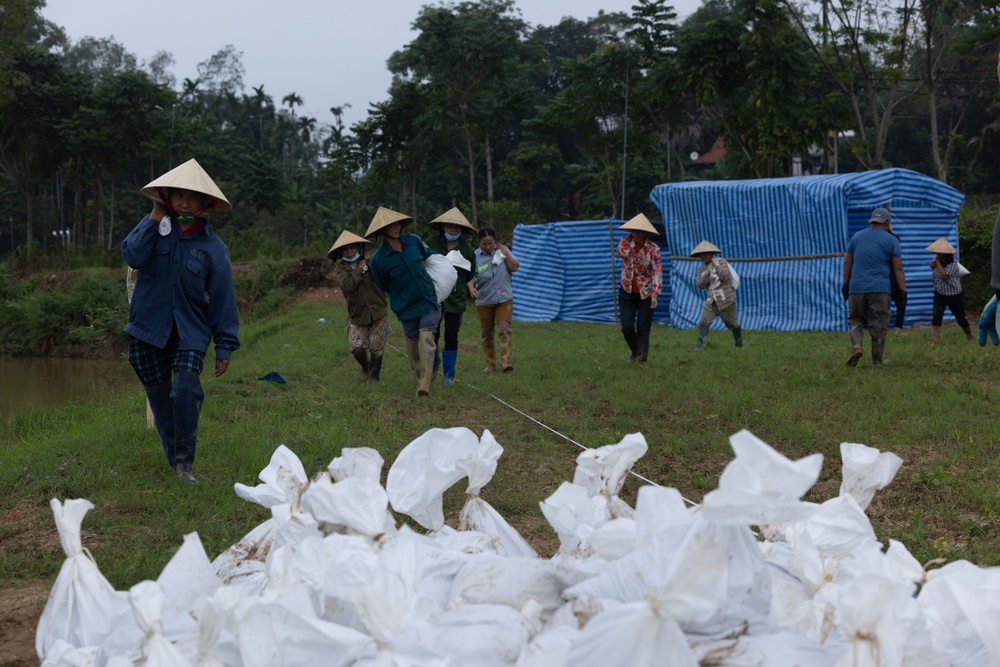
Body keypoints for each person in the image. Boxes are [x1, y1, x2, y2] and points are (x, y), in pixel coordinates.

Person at [121, 158, 240, 483]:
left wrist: (225, 345)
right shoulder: (152, 231)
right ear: (167, 198)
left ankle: (185, 464)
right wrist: (154, 216)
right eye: (177, 195)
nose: (185, 201)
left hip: (190, 331)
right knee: (160, 400)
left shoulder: (213, 248)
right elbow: (132, 255)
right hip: (147, 329)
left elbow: (223, 297)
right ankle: (176, 458)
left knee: (186, 391)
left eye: (192, 196)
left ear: (205, 203)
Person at [367, 206, 441, 397]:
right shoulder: (379, 260)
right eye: (391, 225)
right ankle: (421, 379)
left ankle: (426, 382)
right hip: (405, 306)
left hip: (428, 299)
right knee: (413, 346)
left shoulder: (414, 241)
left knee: (426, 336)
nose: (397, 227)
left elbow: (430, 258)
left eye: (398, 223)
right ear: (382, 230)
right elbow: (382, 284)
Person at [843, 207, 906, 367]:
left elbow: (848, 261)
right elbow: (898, 267)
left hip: (856, 287)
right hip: (879, 288)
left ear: (871, 221)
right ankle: (877, 362)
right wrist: (903, 290)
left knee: (855, 319)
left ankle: (857, 346)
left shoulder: (856, 237)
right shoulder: (892, 240)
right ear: (887, 222)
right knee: (878, 323)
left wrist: (846, 283)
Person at [425, 207, 477, 385]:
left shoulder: (468, 251)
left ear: (462, 230)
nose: (453, 229)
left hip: (456, 300)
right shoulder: (431, 242)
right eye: (449, 226)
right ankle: (433, 364)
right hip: (434, 298)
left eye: (457, 227)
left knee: (451, 335)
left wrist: (469, 288)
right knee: (433, 333)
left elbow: (469, 276)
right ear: (443, 226)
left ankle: (449, 374)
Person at [328, 230, 388, 382]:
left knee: (377, 346)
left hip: (378, 309)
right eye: (345, 249)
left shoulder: (371, 263)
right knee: (356, 348)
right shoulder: (341, 269)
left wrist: (367, 265)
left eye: (352, 248)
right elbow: (348, 286)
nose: (349, 251)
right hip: (357, 313)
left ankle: (374, 379)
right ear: (341, 252)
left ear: (358, 248)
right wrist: (360, 269)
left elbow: (383, 278)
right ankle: (366, 366)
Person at [616, 213, 662, 365]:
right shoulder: (624, 242)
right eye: (634, 231)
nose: (636, 234)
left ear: (646, 233)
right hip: (627, 290)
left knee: (643, 327)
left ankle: (642, 360)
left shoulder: (654, 250)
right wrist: (634, 248)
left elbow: (657, 272)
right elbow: (621, 253)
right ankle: (635, 351)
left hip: (646, 293)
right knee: (627, 327)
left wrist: (655, 294)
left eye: (640, 231)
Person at [473, 227, 519, 372]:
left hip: (504, 299)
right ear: (479, 242)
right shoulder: (474, 256)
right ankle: (491, 364)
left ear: (495, 241)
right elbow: (469, 277)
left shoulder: (503, 251)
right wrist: (471, 288)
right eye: (484, 244)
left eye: (490, 243)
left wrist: (505, 253)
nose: (487, 247)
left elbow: (515, 267)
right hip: (484, 300)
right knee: (487, 334)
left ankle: (506, 362)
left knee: (504, 329)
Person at [692, 240, 741, 350]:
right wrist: (708, 272)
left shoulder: (722, 262)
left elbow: (726, 276)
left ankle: (739, 344)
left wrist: (717, 265)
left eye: (705, 253)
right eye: (701, 254)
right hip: (712, 300)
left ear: (711, 253)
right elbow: (699, 284)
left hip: (727, 300)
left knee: (733, 324)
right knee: (704, 321)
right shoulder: (702, 269)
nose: (703, 256)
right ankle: (700, 346)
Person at [926, 237, 974, 345]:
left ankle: (970, 336)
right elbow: (935, 270)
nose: (937, 254)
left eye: (939, 253)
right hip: (940, 294)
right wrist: (934, 264)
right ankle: (935, 342)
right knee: (936, 317)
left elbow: (945, 275)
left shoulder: (953, 264)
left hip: (954, 295)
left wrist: (937, 263)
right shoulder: (938, 262)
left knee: (960, 318)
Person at [887, 220, 908, 337]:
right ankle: (898, 330)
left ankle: (881, 328)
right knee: (901, 301)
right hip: (893, 275)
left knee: (881, 304)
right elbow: (898, 265)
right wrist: (903, 288)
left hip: (880, 275)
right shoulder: (894, 238)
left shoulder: (873, 239)